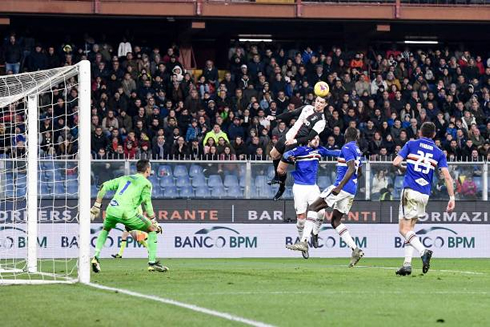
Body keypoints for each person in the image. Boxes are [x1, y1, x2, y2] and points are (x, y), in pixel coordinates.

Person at [286, 127, 364, 268]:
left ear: (345, 134)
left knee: (314, 207)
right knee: (335, 221)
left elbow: (352, 168)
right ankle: (355, 249)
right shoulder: (358, 150)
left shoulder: (346, 147)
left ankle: (304, 241)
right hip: (352, 190)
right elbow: (359, 172)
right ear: (357, 136)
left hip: (341, 187)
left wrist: (339, 187)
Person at [392, 122, 455, 276]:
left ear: (420, 132)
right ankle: (407, 264)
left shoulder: (411, 144)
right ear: (433, 135)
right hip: (424, 194)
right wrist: (452, 197)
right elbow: (446, 176)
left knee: (403, 229)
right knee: (410, 229)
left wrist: (403, 168)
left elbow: (395, 162)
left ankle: (423, 251)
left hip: (410, 190)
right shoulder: (439, 152)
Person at [90, 159, 167, 273]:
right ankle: (152, 263)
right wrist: (154, 220)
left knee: (106, 230)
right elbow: (147, 203)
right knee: (152, 229)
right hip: (127, 213)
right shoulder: (146, 183)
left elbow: (103, 186)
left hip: (111, 210)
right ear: (147, 169)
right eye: (150, 167)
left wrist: (96, 206)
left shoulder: (125, 178)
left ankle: (95, 257)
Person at [283, 135, 340, 259]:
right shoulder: (300, 150)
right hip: (299, 188)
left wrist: (349, 153)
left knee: (321, 212)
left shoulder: (320, 150)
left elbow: (335, 153)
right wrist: (289, 157)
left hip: (313, 187)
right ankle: (302, 242)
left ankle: (315, 233)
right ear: (308, 140)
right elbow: (286, 154)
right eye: (315, 139)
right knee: (301, 219)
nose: (317, 141)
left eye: (319, 139)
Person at [267, 95, 327, 200]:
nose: (319, 104)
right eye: (317, 101)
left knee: (281, 170)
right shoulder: (307, 108)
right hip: (289, 134)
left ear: (325, 105)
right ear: (315, 101)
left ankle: (282, 188)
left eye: (322, 102)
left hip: (296, 142)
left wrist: (294, 141)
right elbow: (291, 114)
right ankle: (276, 177)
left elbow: (309, 137)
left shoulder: (321, 121)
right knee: (273, 154)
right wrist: (276, 117)